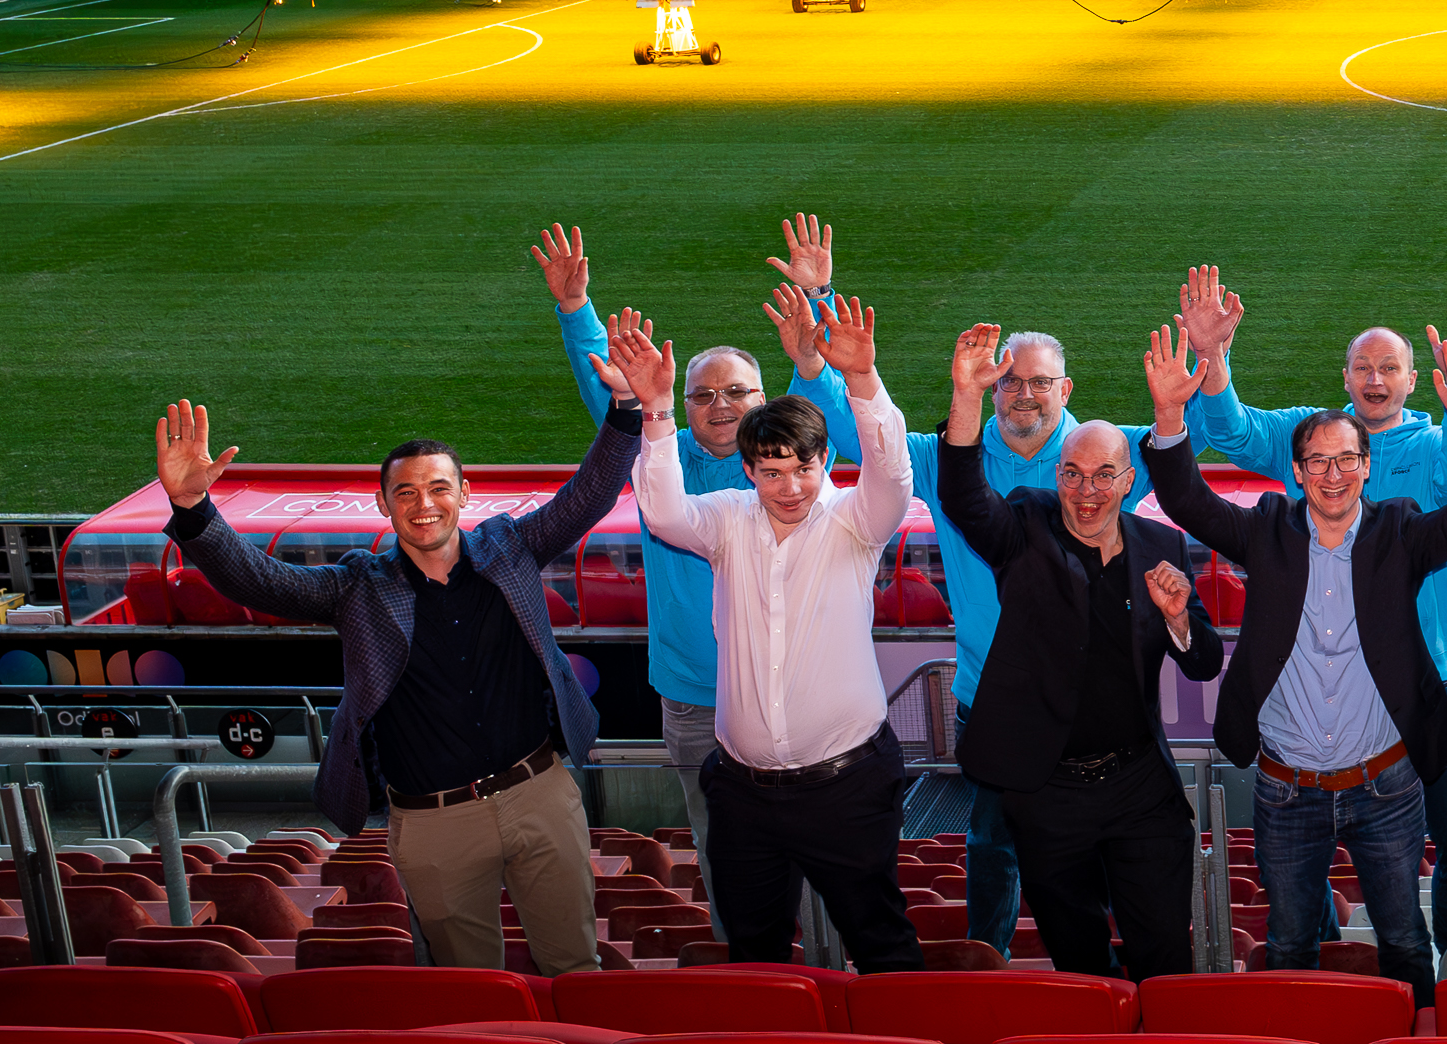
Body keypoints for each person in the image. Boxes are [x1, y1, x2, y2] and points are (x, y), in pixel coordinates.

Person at [149, 383, 637, 974]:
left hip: (539, 795)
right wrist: (194, 509)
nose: (423, 503)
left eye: (437, 487)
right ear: (384, 505)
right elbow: (261, 580)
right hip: (433, 822)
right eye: (405, 492)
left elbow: (587, 497)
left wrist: (625, 410)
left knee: (576, 966)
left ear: (463, 492)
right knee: (469, 984)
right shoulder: (357, 585)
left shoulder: (511, 547)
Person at [1141, 300, 1447, 1007]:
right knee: (1288, 945)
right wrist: (1167, 418)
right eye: (1317, 462)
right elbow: (1186, 498)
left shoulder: (1401, 533)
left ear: (1366, 469)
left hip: (1388, 787)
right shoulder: (1267, 532)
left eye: (1346, 460)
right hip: (1286, 789)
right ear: (1298, 472)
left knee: (1403, 940)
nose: (1332, 474)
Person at [540, 218, 854, 922]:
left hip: (797, 689)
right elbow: (612, 393)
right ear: (681, 406)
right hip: (695, 698)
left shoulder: (797, 464)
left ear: (765, 400)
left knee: (814, 840)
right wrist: (575, 311)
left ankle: (818, 958)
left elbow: (842, 403)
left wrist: (822, 298)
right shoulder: (663, 460)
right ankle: (745, 959)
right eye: (704, 394)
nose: (720, 405)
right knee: (719, 842)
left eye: (736, 392)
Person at [609, 300, 923, 974]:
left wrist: (864, 380)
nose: (790, 487)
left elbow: (895, 477)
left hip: (847, 783)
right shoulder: (725, 519)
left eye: (803, 469)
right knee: (753, 950)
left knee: (882, 942)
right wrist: (658, 411)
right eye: (772, 472)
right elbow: (662, 512)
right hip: (744, 791)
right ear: (748, 471)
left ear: (826, 462)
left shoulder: (855, 522)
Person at [927, 325, 1220, 982]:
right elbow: (965, 497)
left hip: (1139, 786)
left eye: (1103, 475)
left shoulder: (1160, 549)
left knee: (1165, 953)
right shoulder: (1026, 526)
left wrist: (1178, 621)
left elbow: (1202, 660)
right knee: (1080, 963)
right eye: (1073, 474)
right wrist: (967, 395)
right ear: (1057, 476)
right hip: (1046, 791)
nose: (1086, 491)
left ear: (1128, 481)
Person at [890, 302, 1150, 954]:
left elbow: (1196, 426)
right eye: (1010, 380)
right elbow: (849, 426)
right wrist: (820, 324)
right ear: (990, 386)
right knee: (992, 840)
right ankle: (990, 961)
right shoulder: (939, 459)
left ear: (1065, 389)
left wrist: (1211, 354)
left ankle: (1115, 970)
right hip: (992, 701)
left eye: (1040, 381)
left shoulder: (1112, 454)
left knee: (1108, 839)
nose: (1024, 393)